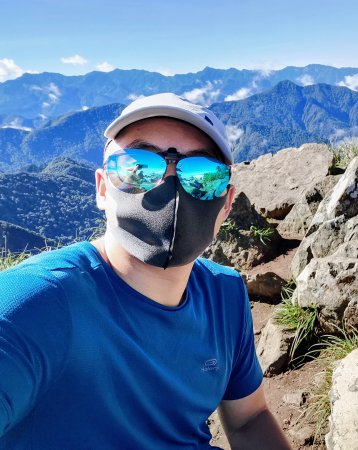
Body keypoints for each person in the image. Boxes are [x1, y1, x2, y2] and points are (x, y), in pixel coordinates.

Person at [0, 93, 291, 449]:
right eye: (139, 166)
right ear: (103, 188)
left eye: (201, 175)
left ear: (226, 204)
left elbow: (249, 418)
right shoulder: (33, 304)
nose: (168, 187)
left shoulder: (224, 294)